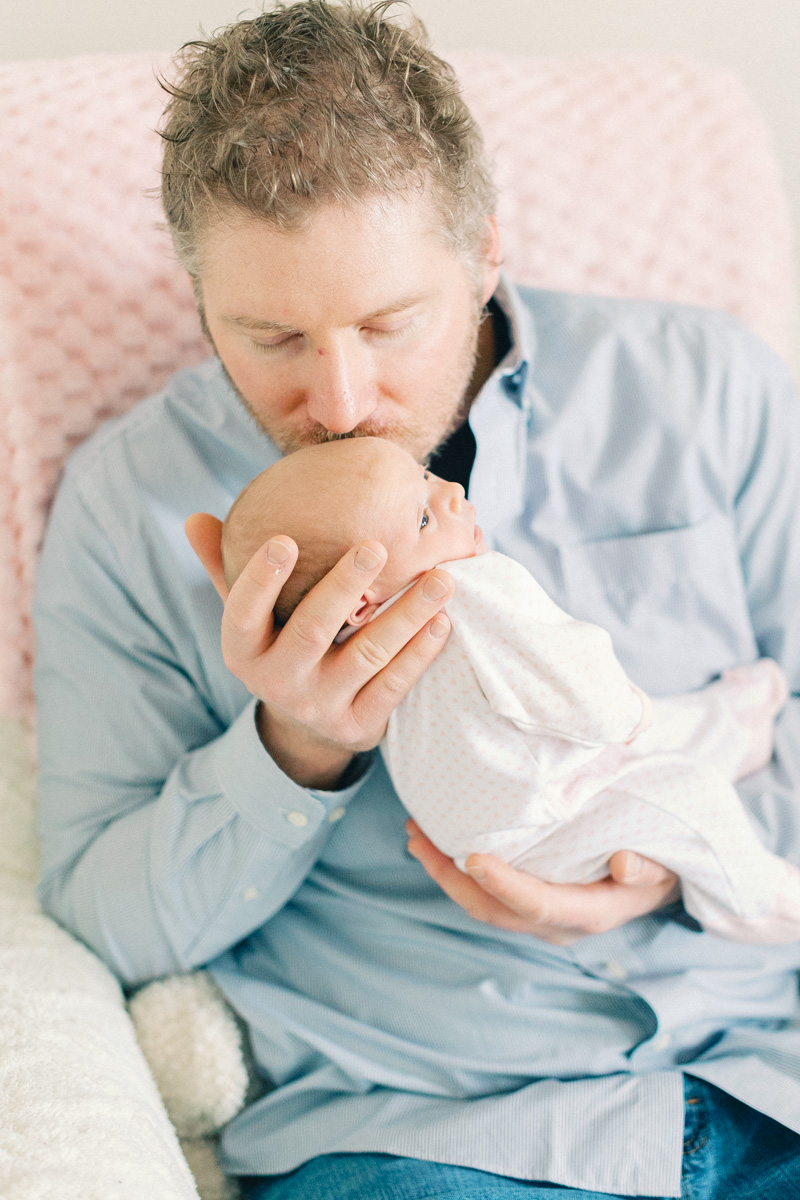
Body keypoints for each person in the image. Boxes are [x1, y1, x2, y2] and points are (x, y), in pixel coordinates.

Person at [32, 2, 800, 1197]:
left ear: (485, 249)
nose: (339, 400)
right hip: (430, 1129)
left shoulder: (706, 393)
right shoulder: (129, 511)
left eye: (390, 324)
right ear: (198, 304)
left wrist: (670, 859)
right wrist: (294, 750)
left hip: (763, 1071)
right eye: (269, 336)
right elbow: (100, 925)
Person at [221, 435, 797, 943]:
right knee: (684, 789)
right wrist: (628, 714)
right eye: (422, 517)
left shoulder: (348, 653)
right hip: (549, 817)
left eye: (424, 474)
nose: (451, 493)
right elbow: (571, 682)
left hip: (498, 831)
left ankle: (729, 729)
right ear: (360, 598)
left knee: (665, 745)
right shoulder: (469, 588)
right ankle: (759, 902)